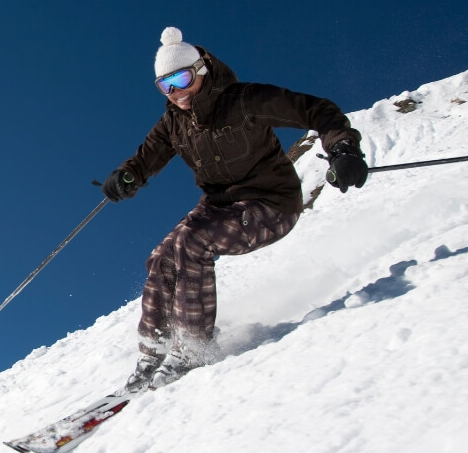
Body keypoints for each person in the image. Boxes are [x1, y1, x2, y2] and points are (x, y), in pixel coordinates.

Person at [102, 27, 368, 393]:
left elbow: (317, 110)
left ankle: (192, 348)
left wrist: (343, 150)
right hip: (220, 207)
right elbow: (145, 159)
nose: (176, 92)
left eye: (181, 79)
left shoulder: (244, 100)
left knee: (192, 242)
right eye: (165, 86)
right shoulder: (173, 123)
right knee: (163, 256)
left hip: (272, 203)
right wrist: (128, 176)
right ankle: (152, 353)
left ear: (201, 70)